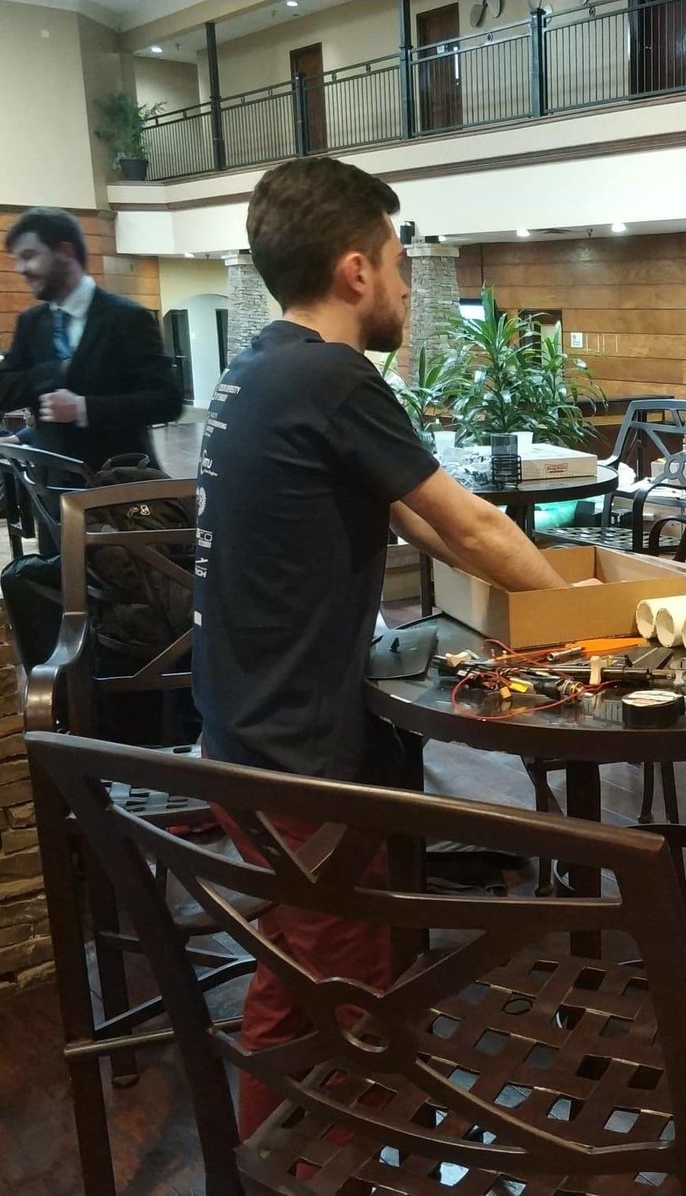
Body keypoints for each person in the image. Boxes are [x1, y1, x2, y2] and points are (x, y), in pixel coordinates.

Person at [192, 155, 571, 1139]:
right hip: (291, 754)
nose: (406, 286)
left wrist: (537, 600)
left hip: (243, 729)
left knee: (302, 968)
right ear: (356, 271)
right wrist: (585, 617)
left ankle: (282, 1155)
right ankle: (317, 1162)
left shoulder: (260, 365)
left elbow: (421, 520)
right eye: (400, 264)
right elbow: (474, 524)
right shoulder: (331, 375)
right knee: (337, 991)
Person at [0, 207, 182, 469]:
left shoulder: (127, 318)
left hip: (121, 479)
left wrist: (84, 409)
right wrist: (57, 372)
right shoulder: (31, 323)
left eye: (29, 256)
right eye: (16, 260)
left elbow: (167, 401)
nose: (21, 269)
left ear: (65, 252)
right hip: (53, 485)